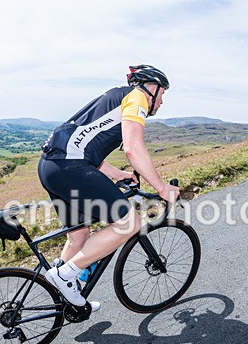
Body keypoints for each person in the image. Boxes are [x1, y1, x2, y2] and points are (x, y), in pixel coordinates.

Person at [38, 64, 178, 313]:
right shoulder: (137, 98)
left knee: (79, 235)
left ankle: (64, 297)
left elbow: (86, 144)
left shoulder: (115, 96)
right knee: (129, 223)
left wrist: (118, 174)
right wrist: (162, 188)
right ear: (152, 88)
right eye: (163, 94)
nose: (162, 101)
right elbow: (133, 148)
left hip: (51, 167)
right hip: (71, 167)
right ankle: (66, 275)